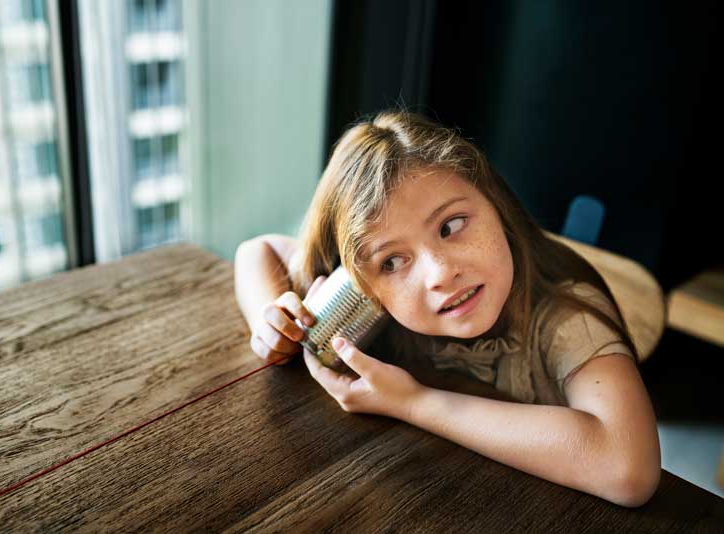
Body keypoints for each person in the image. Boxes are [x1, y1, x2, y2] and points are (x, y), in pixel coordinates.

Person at [233, 110, 661, 507]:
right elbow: (259, 250)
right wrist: (272, 320)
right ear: (357, 283)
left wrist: (412, 403)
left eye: (450, 226)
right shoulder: (373, 302)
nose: (439, 273)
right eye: (392, 261)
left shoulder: (567, 316)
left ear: (496, 205)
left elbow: (628, 470)